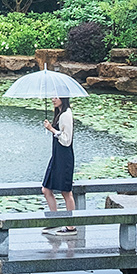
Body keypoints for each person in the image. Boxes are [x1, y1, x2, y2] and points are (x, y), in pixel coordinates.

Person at [41, 96, 76, 234]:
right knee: (46, 189)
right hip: (56, 156)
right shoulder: (59, 114)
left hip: (64, 158)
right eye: (52, 96)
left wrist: (51, 129)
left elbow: (67, 140)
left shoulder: (66, 115)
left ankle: (71, 227)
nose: (53, 99)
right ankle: (55, 220)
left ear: (63, 98)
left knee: (66, 192)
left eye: (56, 97)